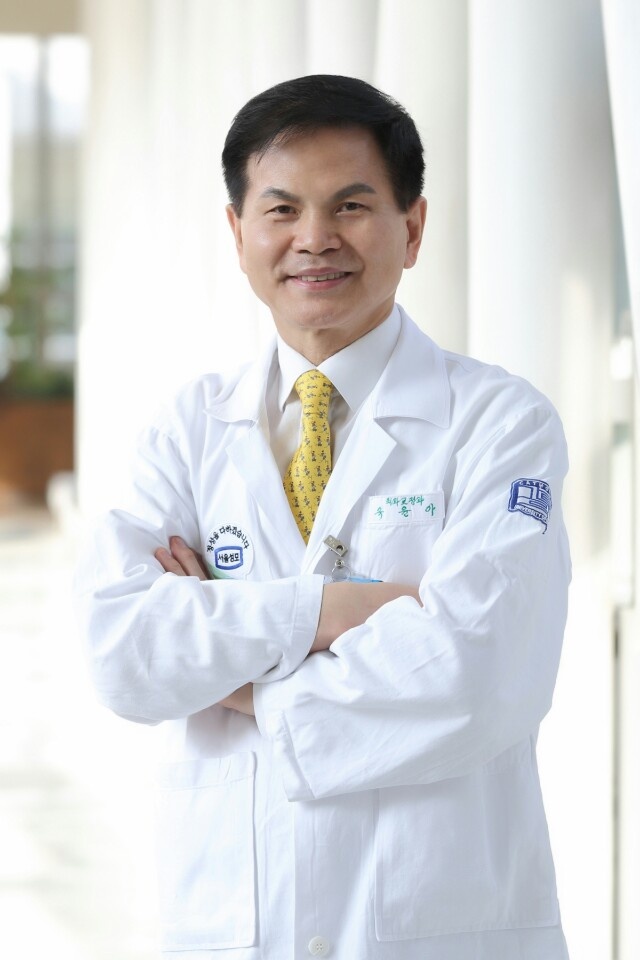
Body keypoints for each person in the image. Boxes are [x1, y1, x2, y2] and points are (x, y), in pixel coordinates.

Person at [75, 75, 571, 960]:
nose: (314, 239)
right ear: (238, 233)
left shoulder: (501, 424)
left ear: (412, 228)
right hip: (238, 927)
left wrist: (237, 679)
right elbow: (124, 653)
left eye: (350, 205)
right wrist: (331, 612)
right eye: (282, 209)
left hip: (439, 931)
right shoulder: (189, 430)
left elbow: (477, 673)